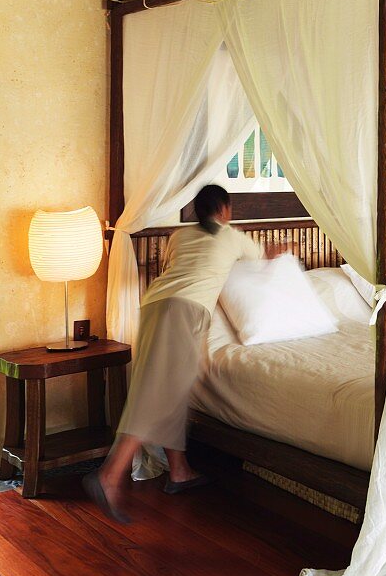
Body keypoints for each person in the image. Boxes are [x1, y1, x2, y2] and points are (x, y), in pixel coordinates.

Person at [83, 184, 264, 522]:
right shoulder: (233, 237)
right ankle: (109, 475)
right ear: (224, 210)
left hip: (154, 306)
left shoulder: (179, 236)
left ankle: (179, 471)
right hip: (185, 312)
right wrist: (285, 250)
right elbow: (260, 261)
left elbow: (176, 268)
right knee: (158, 393)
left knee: (169, 390)